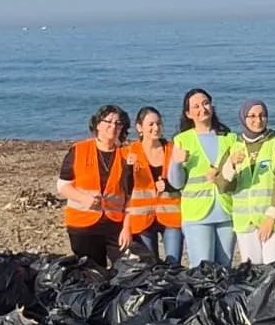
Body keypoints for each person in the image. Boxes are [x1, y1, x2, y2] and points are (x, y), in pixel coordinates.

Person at [56, 104, 133, 267]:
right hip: (82, 223)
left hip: (115, 224)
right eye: (108, 121)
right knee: (91, 271)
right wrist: (83, 198)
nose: (113, 126)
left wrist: (127, 227)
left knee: (126, 268)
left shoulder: (126, 155)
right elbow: (63, 185)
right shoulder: (79, 150)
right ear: (98, 124)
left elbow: (130, 196)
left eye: (118, 123)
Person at [168, 88, 237, 267]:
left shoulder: (230, 138)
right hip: (197, 214)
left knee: (225, 268)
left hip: (226, 210)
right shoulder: (182, 140)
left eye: (205, 103)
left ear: (212, 107)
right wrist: (177, 163)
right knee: (202, 268)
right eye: (196, 106)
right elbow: (176, 183)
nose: (202, 109)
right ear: (188, 113)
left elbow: (236, 174)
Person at [214, 99, 275, 264]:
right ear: (243, 118)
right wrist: (231, 164)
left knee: (272, 266)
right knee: (252, 270)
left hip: (271, 220)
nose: (258, 120)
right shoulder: (235, 146)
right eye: (252, 116)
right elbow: (223, 186)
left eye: (262, 115)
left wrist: (271, 217)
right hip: (245, 222)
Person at [119, 106, 184, 264]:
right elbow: (124, 188)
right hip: (141, 218)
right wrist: (128, 169)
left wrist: (169, 186)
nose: (156, 128)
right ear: (139, 127)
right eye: (151, 124)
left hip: (171, 215)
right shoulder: (129, 152)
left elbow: (184, 180)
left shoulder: (172, 149)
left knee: (173, 264)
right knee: (149, 265)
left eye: (159, 123)